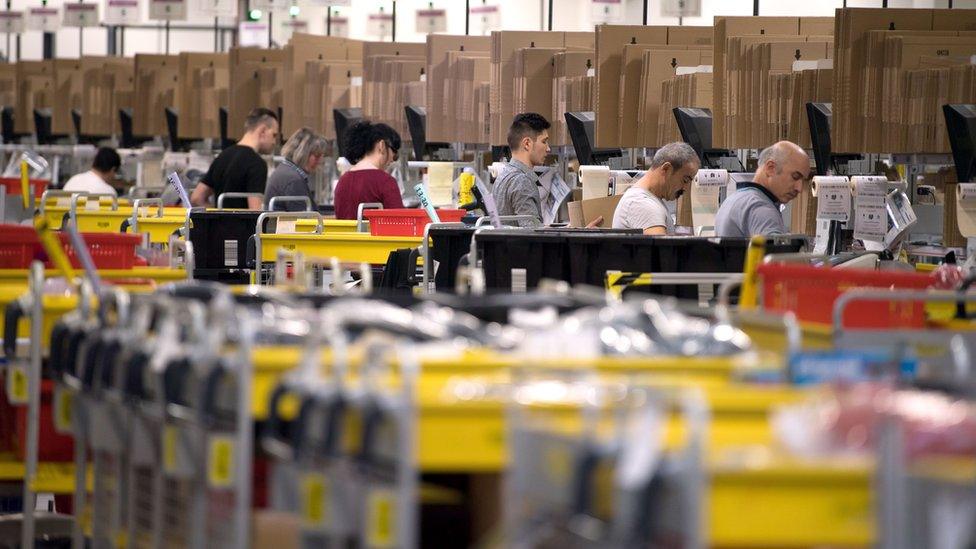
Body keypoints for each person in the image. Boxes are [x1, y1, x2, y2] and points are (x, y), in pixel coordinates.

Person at [714, 141, 812, 237]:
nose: (799, 188)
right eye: (795, 176)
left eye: (803, 180)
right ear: (771, 168)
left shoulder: (735, 198)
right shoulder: (761, 208)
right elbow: (773, 252)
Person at [190, 107, 279, 210]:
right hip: (242, 226)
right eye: (274, 135)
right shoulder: (257, 163)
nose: (274, 142)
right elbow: (255, 211)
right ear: (263, 131)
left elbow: (196, 198)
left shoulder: (223, 156)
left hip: (218, 225)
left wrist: (218, 215)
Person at [611, 142, 699, 235]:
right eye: (685, 180)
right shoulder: (642, 204)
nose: (686, 188)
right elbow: (660, 249)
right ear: (666, 169)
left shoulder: (647, 200)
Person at [333, 121, 404, 220]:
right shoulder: (386, 182)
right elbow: (400, 222)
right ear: (382, 146)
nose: (393, 158)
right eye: (394, 151)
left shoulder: (343, 181)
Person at [492, 113, 550, 227]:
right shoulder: (522, 181)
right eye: (544, 141)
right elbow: (533, 233)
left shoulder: (503, 176)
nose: (548, 148)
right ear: (527, 144)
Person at [264, 127, 328, 211]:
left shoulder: (285, 171)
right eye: (316, 156)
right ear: (303, 153)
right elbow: (305, 219)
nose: (319, 161)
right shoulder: (293, 180)